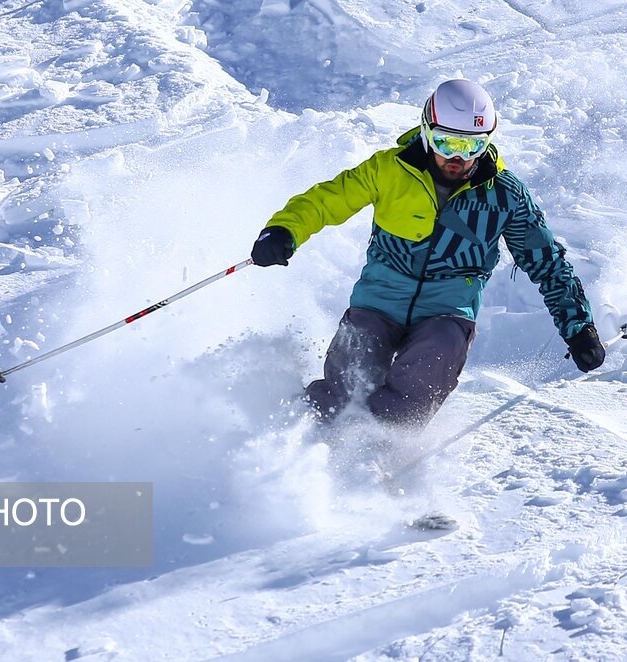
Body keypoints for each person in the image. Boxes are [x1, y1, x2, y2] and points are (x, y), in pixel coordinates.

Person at [251, 79, 605, 429]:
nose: (457, 157)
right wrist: (284, 230)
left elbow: (547, 262)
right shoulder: (389, 170)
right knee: (348, 379)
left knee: (430, 365)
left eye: (471, 146)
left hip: (447, 312)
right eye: (446, 142)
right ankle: (299, 438)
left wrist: (579, 327)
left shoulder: (504, 195)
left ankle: (378, 450)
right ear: (426, 130)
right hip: (378, 301)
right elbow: (326, 200)